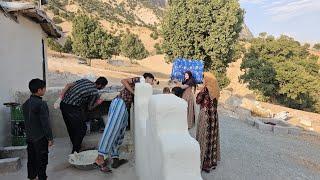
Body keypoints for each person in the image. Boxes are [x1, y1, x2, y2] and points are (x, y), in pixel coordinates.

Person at [95, 73, 155, 173]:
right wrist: (134, 92)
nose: (152, 83)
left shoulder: (141, 86)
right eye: (152, 80)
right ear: (148, 78)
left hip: (124, 107)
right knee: (112, 129)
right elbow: (123, 80)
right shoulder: (140, 79)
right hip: (120, 102)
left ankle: (115, 158)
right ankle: (100, 158)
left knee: (119, 133)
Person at [60, 77, 108, 153]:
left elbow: (69, 85)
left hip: (63, 104)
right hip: (72, 108)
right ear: (100, 85)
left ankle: (76, 146)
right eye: (103, 87)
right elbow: (90, 107)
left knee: (71, 127)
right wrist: (98, 102)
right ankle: (75, 151)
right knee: (82, 128)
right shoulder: (94, 92)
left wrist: (61, 95)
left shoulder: (85, 80)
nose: (102, 88)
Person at [22, 79, 53, 180]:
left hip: (30, 137)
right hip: (40, 137)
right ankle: (42, 177)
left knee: (31, 158)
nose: (45, 90)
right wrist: (49, 138)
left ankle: (32, 176)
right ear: (39, 90)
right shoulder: (41, 104)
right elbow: (45, 123)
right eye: (44, 88)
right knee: (42, 160)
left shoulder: (25, 104)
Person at [196, 72, 220, 173]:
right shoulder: (216, 90)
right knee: (212, 137)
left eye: (204, 78)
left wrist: (200, 90)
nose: (203, 80)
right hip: (213, 116)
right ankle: (211, 162)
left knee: (204, 137)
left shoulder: (205, 89)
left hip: (206, 115)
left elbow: (198, 100)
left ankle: (204, 163)